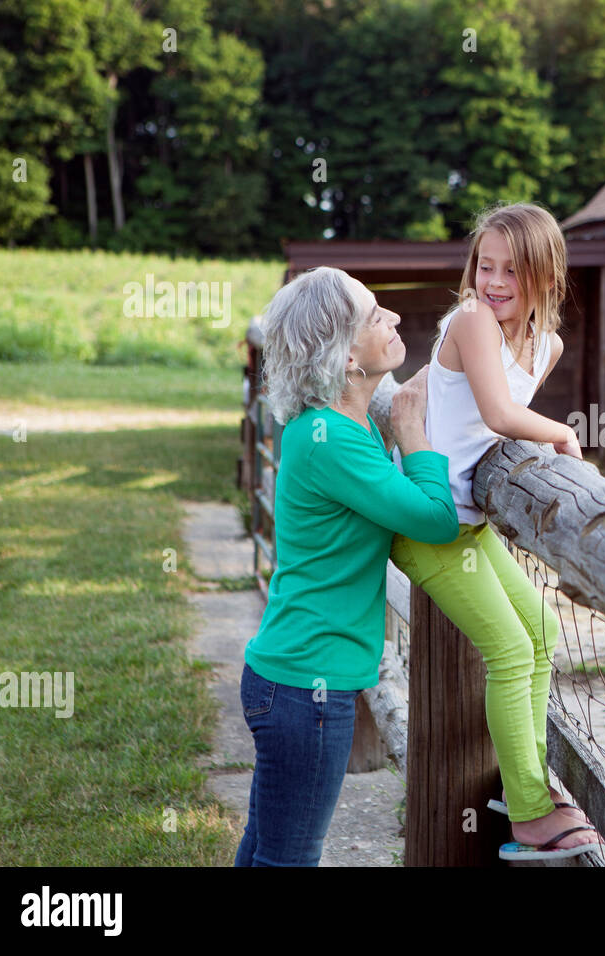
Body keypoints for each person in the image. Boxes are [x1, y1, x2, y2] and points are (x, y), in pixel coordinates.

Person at [388, 202, 603, 861]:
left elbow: (484, 426)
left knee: (539, 631)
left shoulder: (547, 344)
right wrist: (565, 433)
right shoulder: (473, 319)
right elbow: (500, 415)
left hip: (470, 525)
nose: (495, 281)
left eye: (513, 269)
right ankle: (534, 816)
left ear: (544, 275)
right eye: (486, 265)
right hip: (428, 525)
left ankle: (522, 782)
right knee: (511, 651)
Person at [235, 266, 460, 867]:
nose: (391, 319)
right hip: (307, 690)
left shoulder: (334, 427)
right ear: (341, 352)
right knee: (288, 858)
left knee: (265, 848)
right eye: (373, 315)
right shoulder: (331, 439)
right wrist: (413, 434)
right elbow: (438, 519)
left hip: (289, 677)